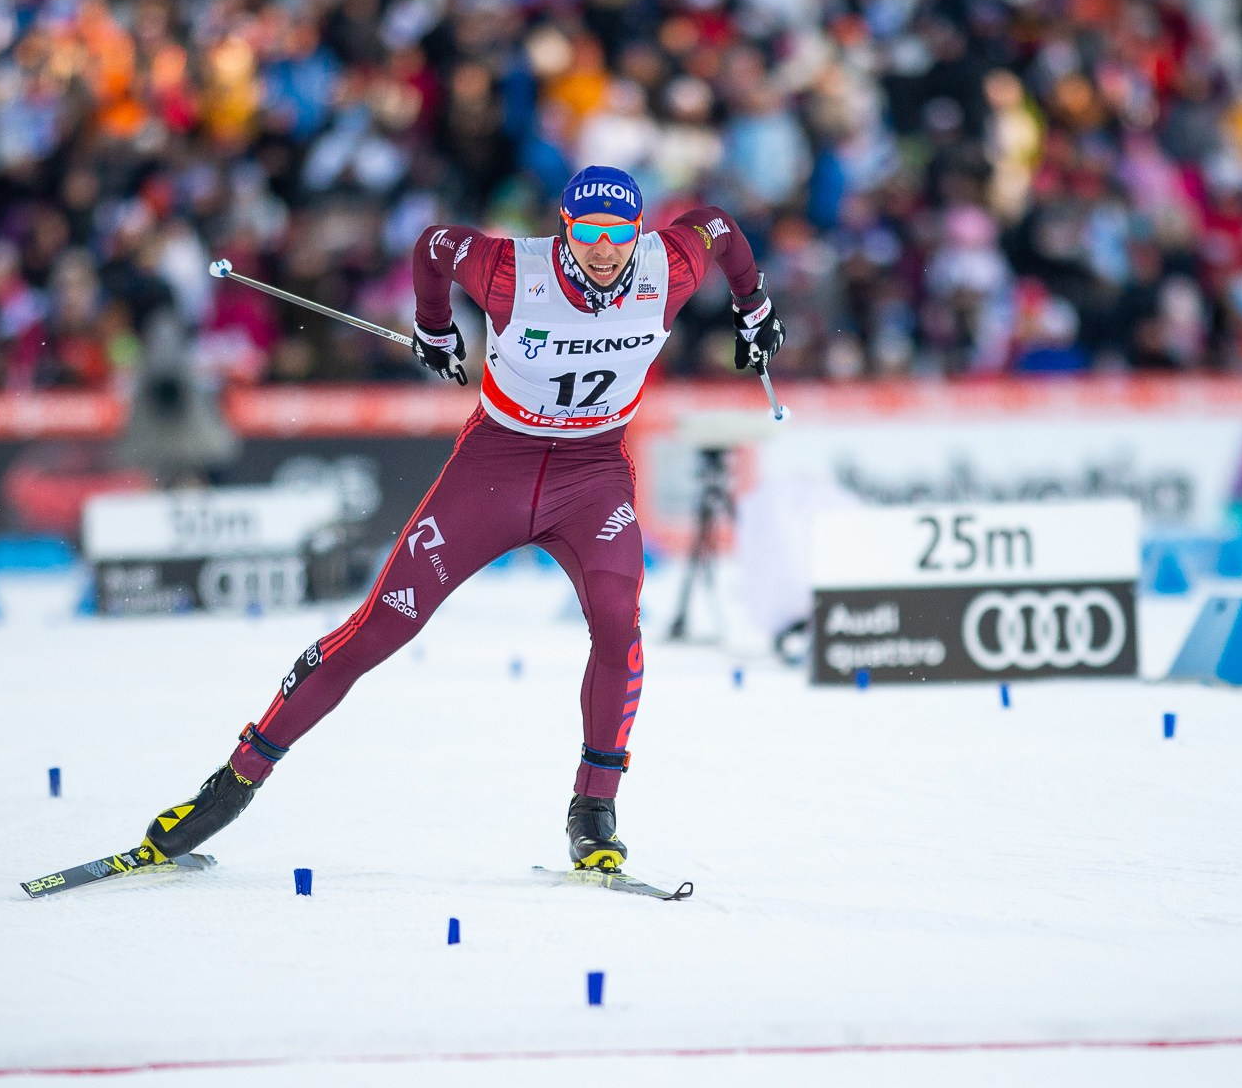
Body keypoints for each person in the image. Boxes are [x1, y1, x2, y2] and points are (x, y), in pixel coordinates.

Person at [137, 166, 785, 872]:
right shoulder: (512, 272)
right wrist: (435, 326)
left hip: (592, 474)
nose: (605, 251)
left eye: (620, 236)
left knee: (617, 621)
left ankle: (594, 808)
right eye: (590, 234)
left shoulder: (668, 263)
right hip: (495, 469)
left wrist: (754, 308)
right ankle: (233, 783)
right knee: (383, 625)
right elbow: (434, 245)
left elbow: (719, 226)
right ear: (565, 230)